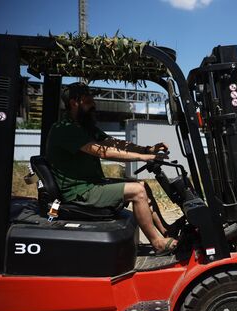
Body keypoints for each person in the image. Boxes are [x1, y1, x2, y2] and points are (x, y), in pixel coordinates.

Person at [46, 82, 177, 255]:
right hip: (80, 192)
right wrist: (143, 157)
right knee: (137, 191)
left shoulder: (86, 127)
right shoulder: (65, 129)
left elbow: (115, 143)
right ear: (74, 103)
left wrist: (147, 149)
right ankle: (158, 243)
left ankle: (166, 232)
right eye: (88, 100)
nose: (94, 103)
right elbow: (103, 152)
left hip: (92, 184)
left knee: (143, 185)